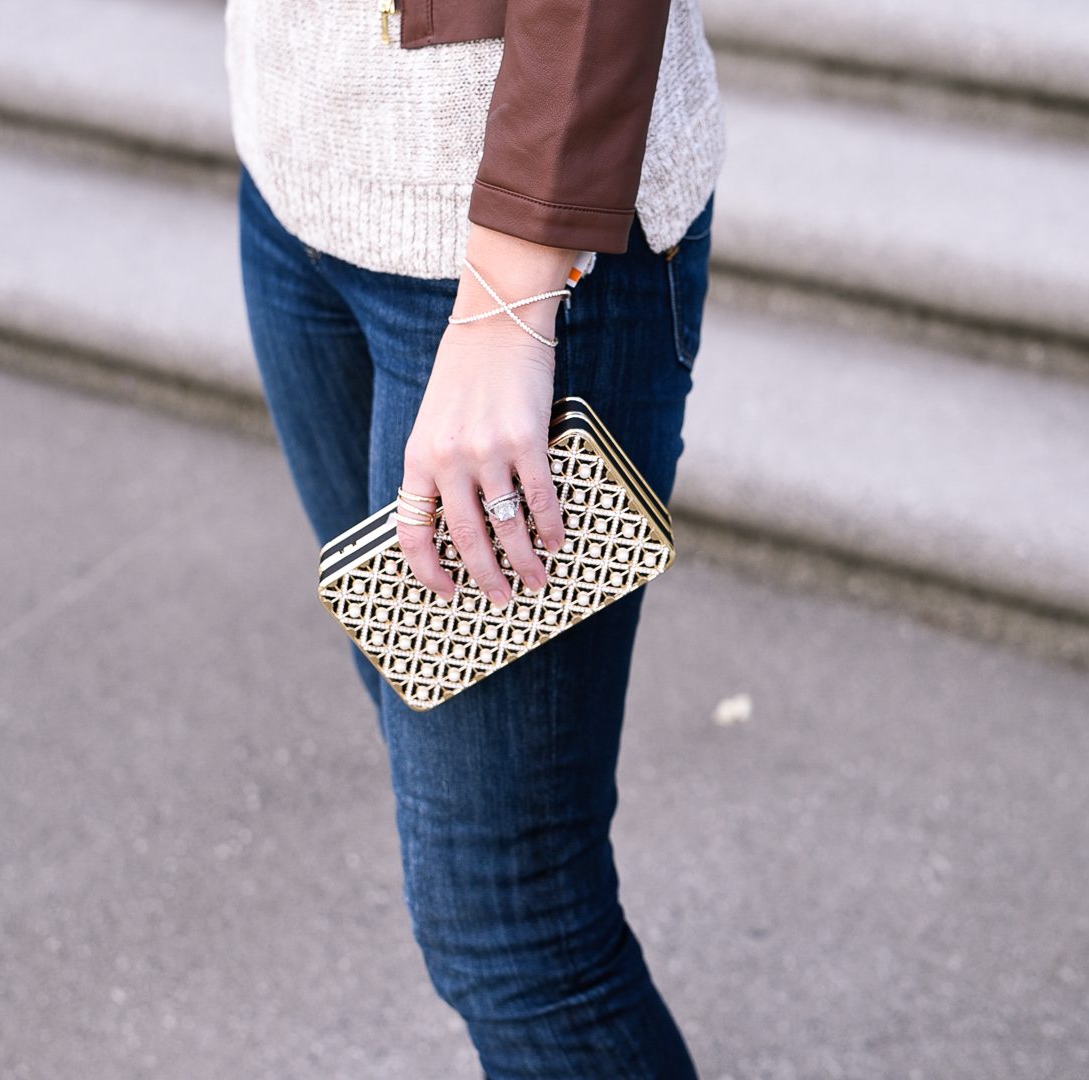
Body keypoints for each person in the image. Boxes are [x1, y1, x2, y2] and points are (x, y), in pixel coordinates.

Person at [228, 0, 724, 1074]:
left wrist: (510, 292)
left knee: (514, 923)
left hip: (517, 254)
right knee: (443, 781)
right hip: (295, 163)